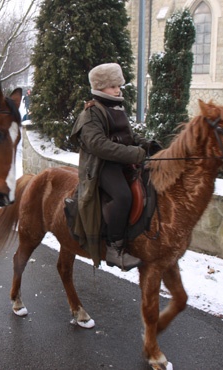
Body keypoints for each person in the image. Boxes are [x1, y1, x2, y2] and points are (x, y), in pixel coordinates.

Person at [69, 63, 153, 271]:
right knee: (123, 196)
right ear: (100, 87)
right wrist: (135, 153)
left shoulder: (116, 108)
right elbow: (99, 145)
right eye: (112, 86)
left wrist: (146, 144)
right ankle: (114, 248)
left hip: (121, 162)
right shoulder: (90, 114)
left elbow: (128, 136)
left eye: (118, 85)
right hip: (101, 166)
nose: (117, 89)